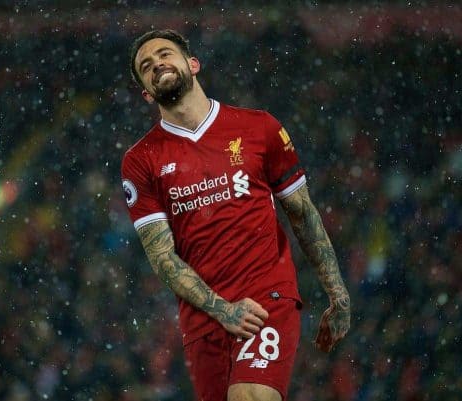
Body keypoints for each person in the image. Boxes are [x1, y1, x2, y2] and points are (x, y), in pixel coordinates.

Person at [120, 29, 350, 401]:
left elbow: (303, 215)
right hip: (203, 319)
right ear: (146, 92)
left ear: (193, 64)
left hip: (266, 297)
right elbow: (162, 257)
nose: (156, 64)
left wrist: (337, 295)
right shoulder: (140, 160)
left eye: (165, 54)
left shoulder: (259, 128)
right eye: (146, 66)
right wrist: (222, 310)